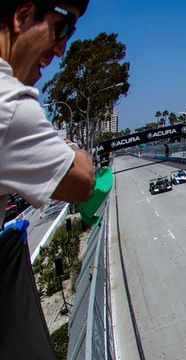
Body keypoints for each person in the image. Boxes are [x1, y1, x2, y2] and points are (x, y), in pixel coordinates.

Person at [1, 0, 95, 215]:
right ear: (22, 16)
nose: (61, 50)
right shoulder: (9, 104)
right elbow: (83, 182)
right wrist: (68, 146)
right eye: (62, 28)